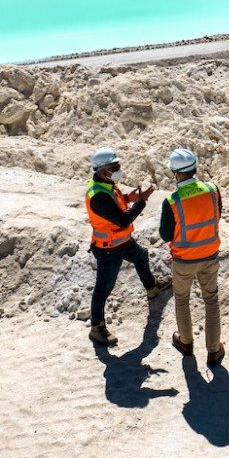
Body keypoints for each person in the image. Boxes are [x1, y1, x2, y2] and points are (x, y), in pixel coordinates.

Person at [85, 147, 160, 346]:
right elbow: (124, 220)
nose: (119, 169)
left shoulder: (107, 184)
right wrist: (142, 201)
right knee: (103, 288)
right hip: (109, 249)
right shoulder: (97, 196)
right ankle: (97, 328)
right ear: (103, 171)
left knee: (141, 256)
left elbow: (117, 203)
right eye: (114, 167)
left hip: (121, 242)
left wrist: (131, 197)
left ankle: (152, 288)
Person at [159, 147, 225, 366]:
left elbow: (165, 234)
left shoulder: (172, 201)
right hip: (209, 255)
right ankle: (214, 351)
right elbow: (217, 215)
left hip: (184, 261)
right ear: (195, 168)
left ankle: (186, 343)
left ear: (176, 174)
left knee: (182, 299)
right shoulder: (212, 189)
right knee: (211, 300)